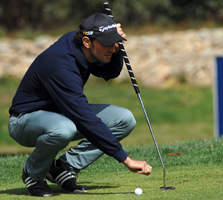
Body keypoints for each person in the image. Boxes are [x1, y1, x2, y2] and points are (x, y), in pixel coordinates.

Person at [8, 13, 152, 197]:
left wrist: (116, 43)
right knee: (64, 129)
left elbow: (110, 72)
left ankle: (62, 168)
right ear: (86, 41)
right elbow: (84, 117)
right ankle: (33, 173)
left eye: (115, 42)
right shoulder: (61, 66)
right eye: (107, 43)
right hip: (25, 120)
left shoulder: (84, 46)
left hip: (61, 114)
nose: (113, 48)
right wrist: (126, 160)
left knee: (124, 119)